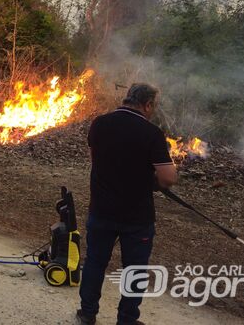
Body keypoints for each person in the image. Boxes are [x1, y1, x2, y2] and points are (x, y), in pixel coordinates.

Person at [76, 83, 178, 325]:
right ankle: (127, 320)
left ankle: (87, 313)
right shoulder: (152, 133)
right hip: (137, 217)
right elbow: (167, 178)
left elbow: (97, 161)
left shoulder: (99, 123)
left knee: (95, 262)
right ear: (148, 104)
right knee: (134, 270)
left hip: (101, 210)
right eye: (154, 106)